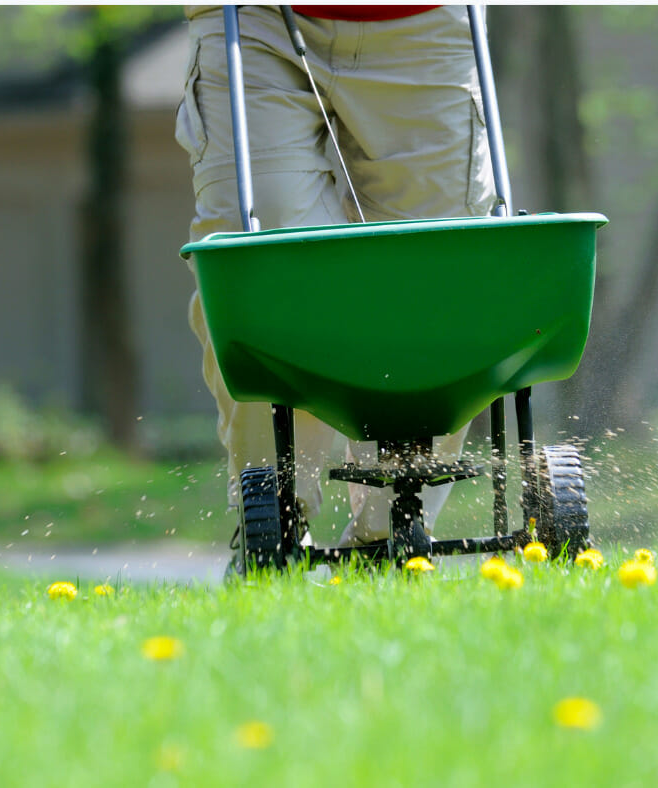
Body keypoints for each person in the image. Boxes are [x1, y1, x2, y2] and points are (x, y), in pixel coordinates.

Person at [174, 4, 495, 570]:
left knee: (436, 275)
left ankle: (389, 531)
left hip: (423, 22)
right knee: (262, 255)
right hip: (256, 17)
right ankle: (274, 520)